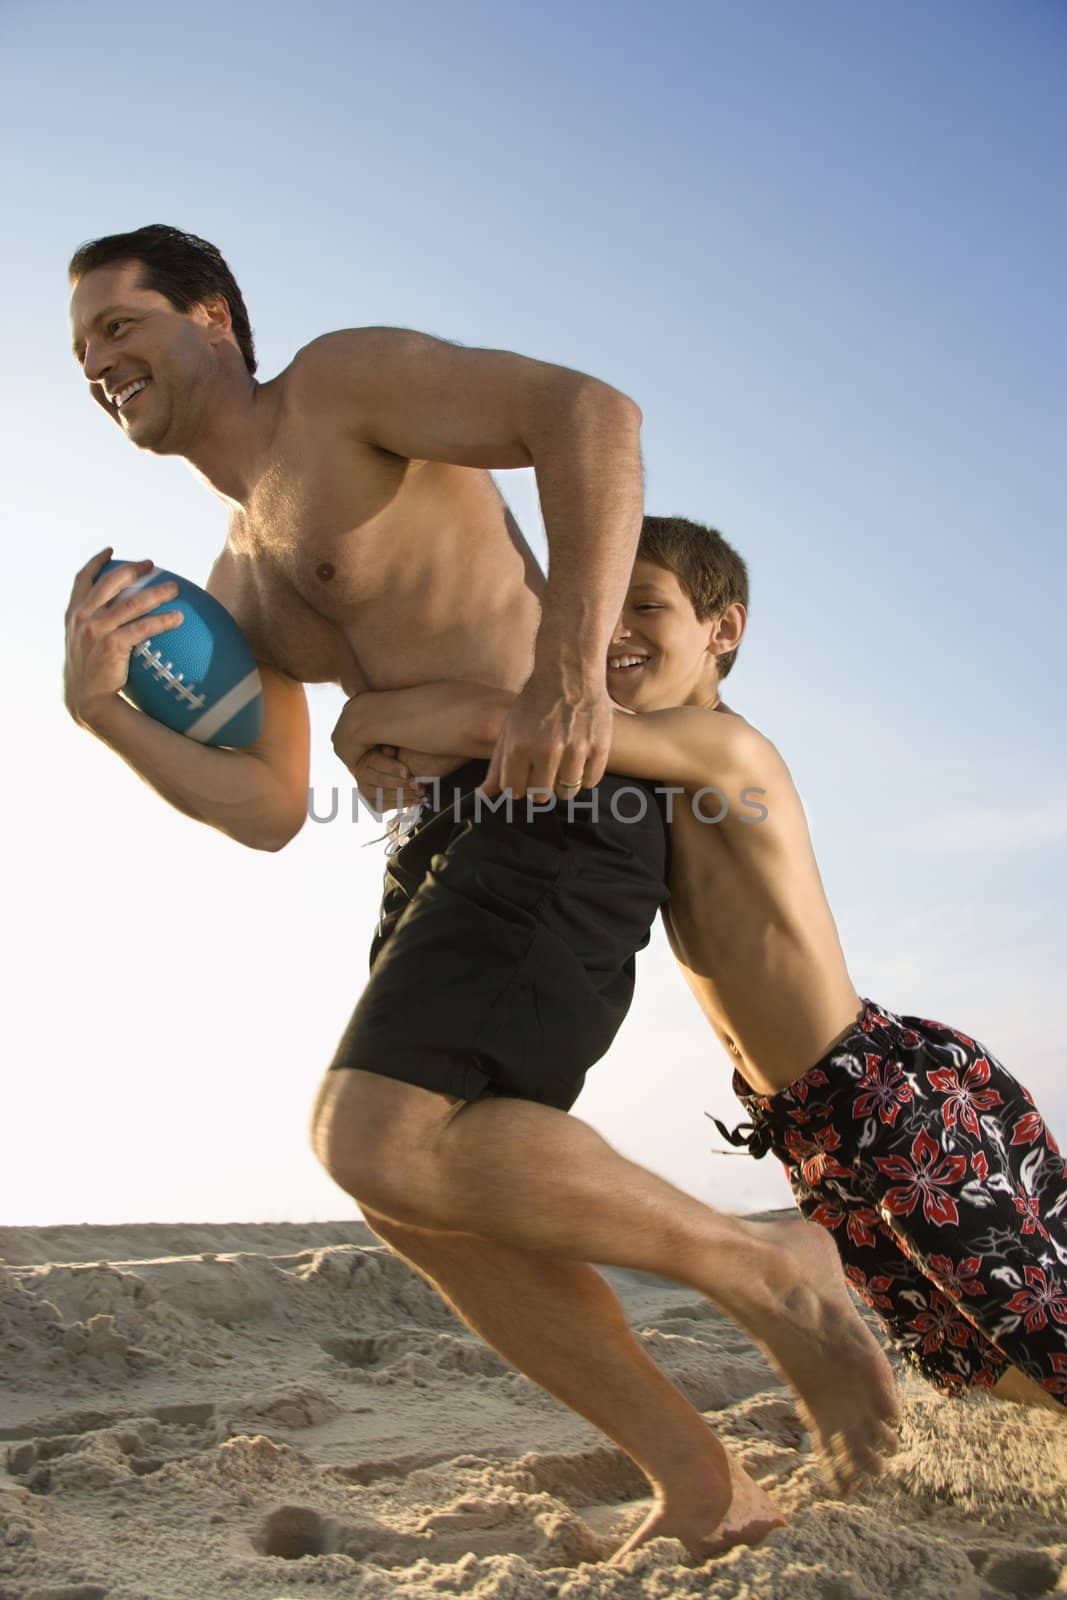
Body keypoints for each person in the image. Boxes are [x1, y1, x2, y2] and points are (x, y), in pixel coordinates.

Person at [64, 228, 898, 1564]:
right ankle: (701, 1482)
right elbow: (273, 807)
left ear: (211, 315)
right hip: (448, 836)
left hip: (562, 789)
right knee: (406, 1192)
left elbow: (587, 414)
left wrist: (569, 669)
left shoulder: (337, 390)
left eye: (118, 326)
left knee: (375, 1134)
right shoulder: (235, 575)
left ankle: (773, 1268)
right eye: (80, 352)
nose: (99, 363)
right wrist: (104, 715)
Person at [340, 513, 1067, 1417]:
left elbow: (509, 719)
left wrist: (364, 719)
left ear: (723, 630)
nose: (612, 632)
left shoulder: (725, 748)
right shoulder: (654, 769)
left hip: (881, 1087)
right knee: (948, 1343)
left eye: (644, 605)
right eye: (598, 609)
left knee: (1033, 1320)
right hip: (810, 1116)